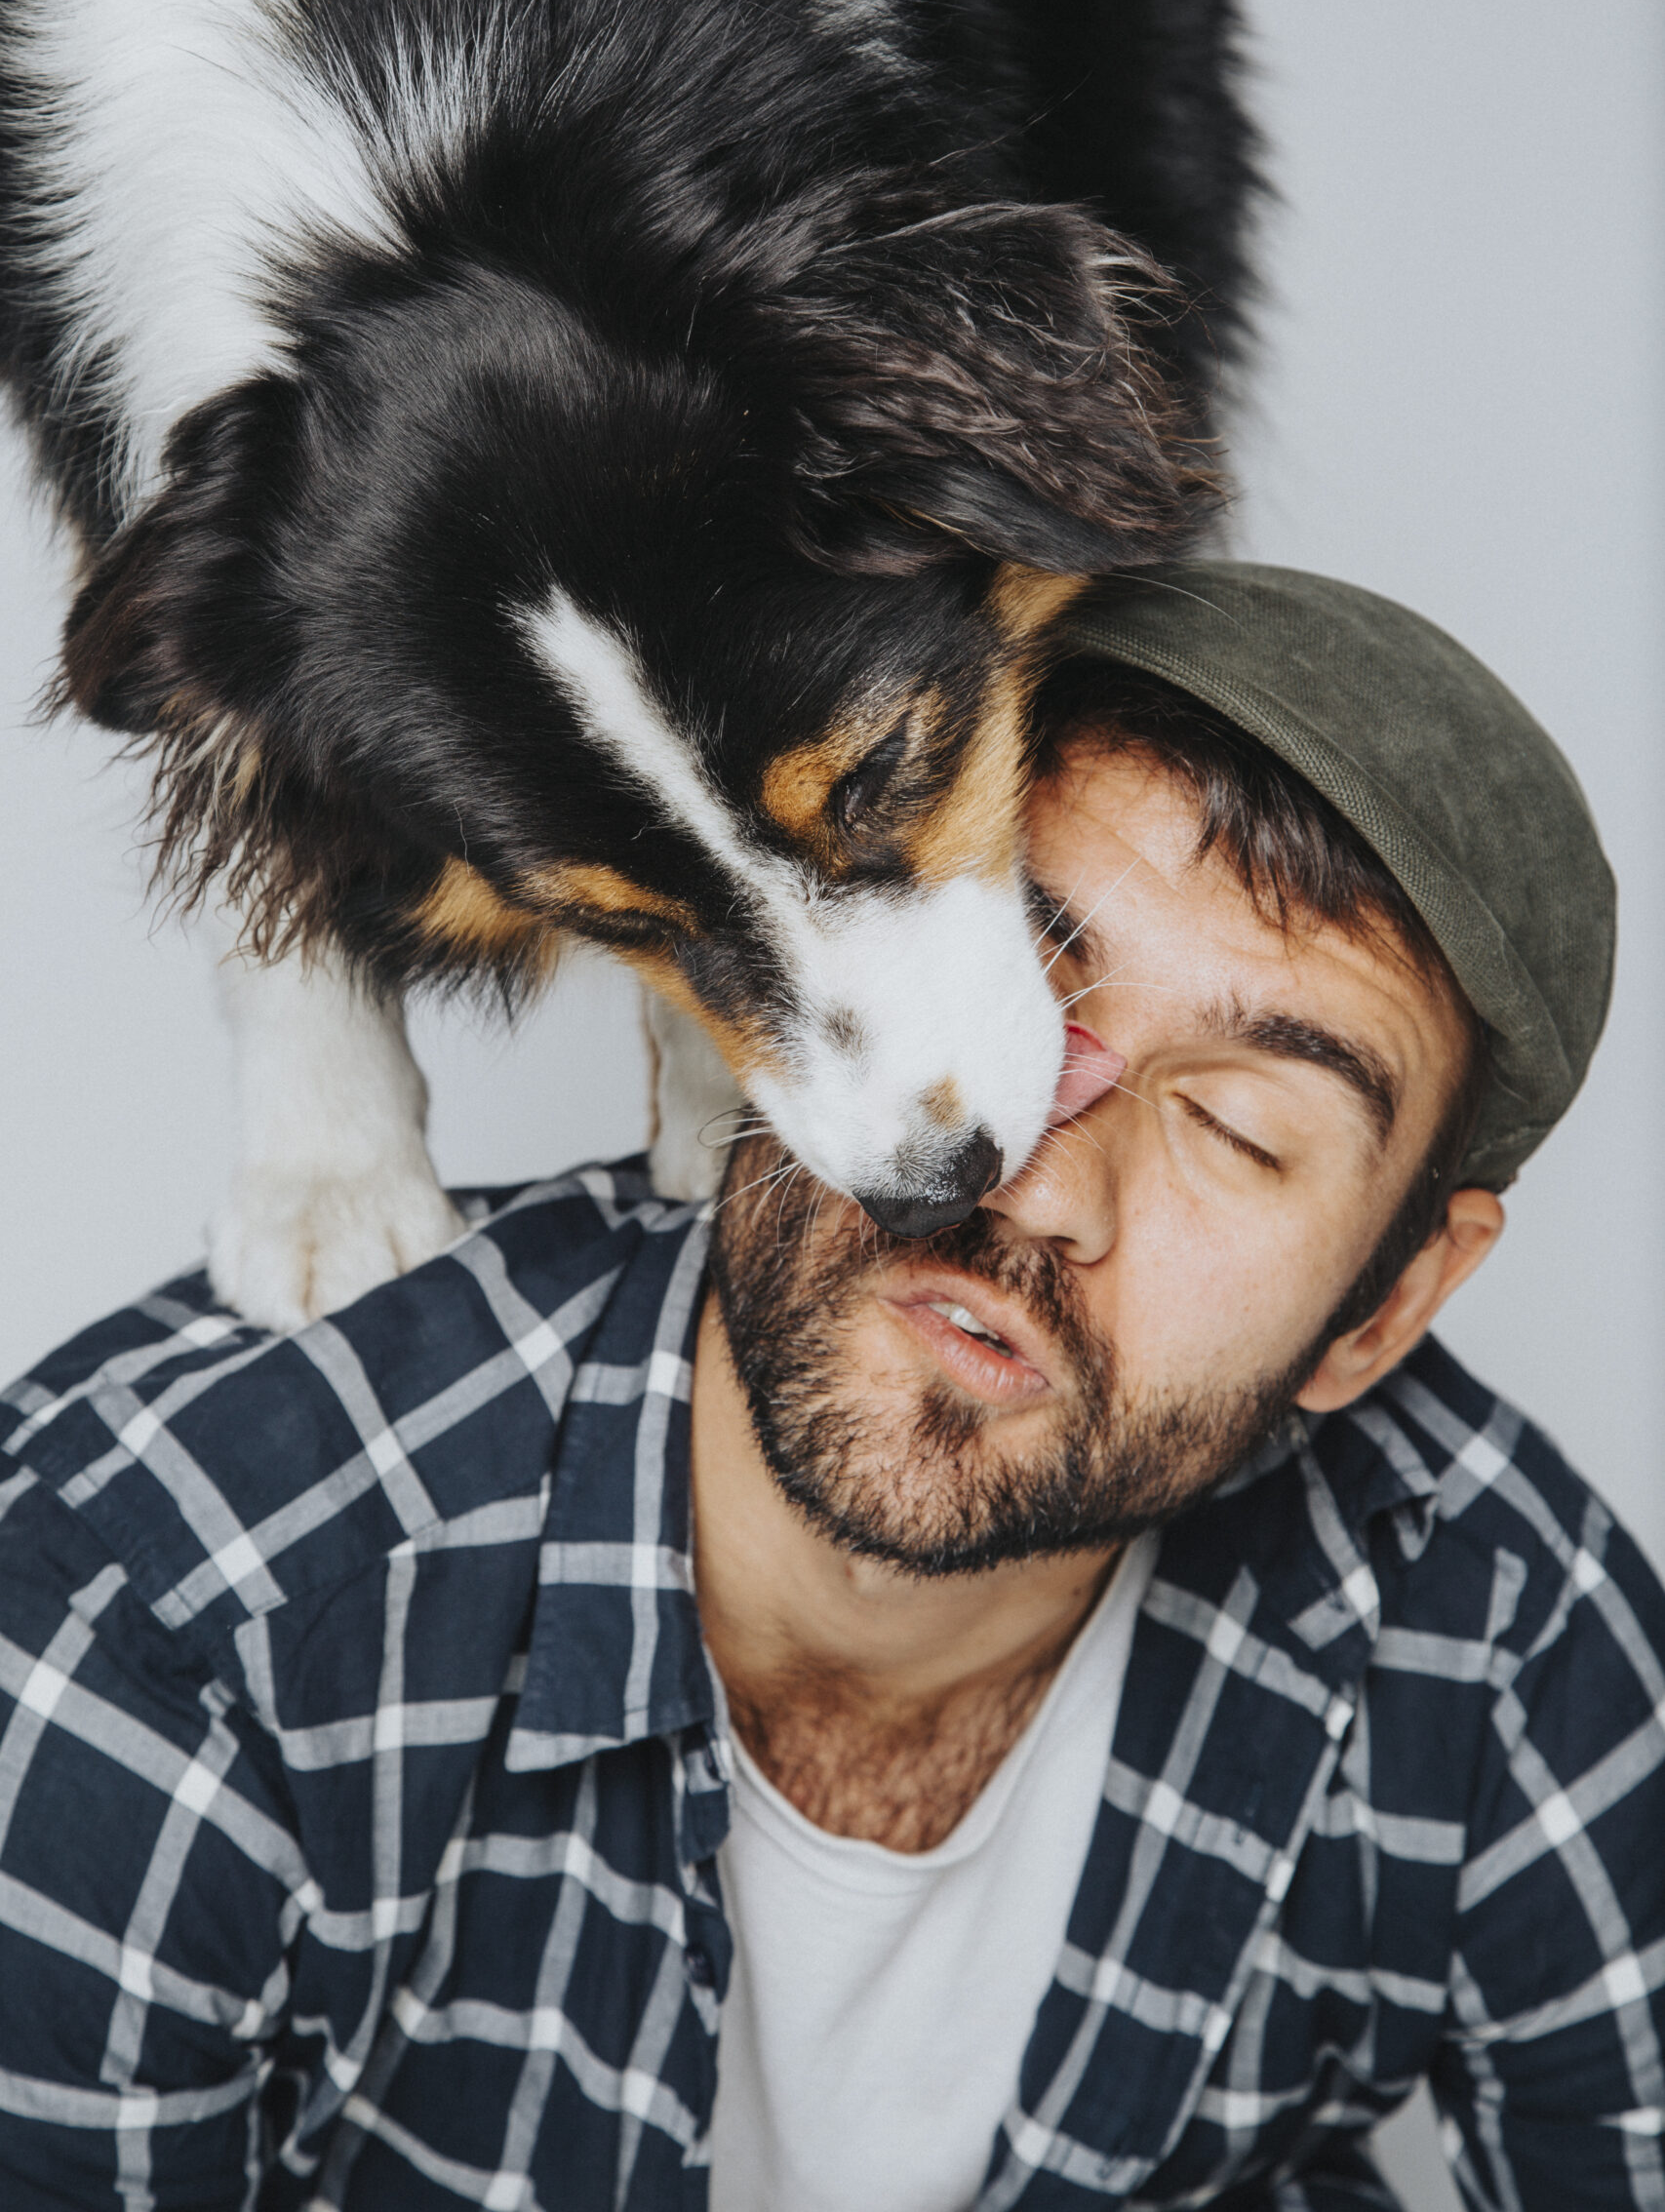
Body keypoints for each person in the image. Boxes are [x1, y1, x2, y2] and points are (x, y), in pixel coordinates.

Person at [0, 564, 1658, 2212]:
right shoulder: (165, 1607)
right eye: (1025, 982)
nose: (1032, 1177)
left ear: (1390, 1314)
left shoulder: (1507, 1640)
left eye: (1240, 1132)